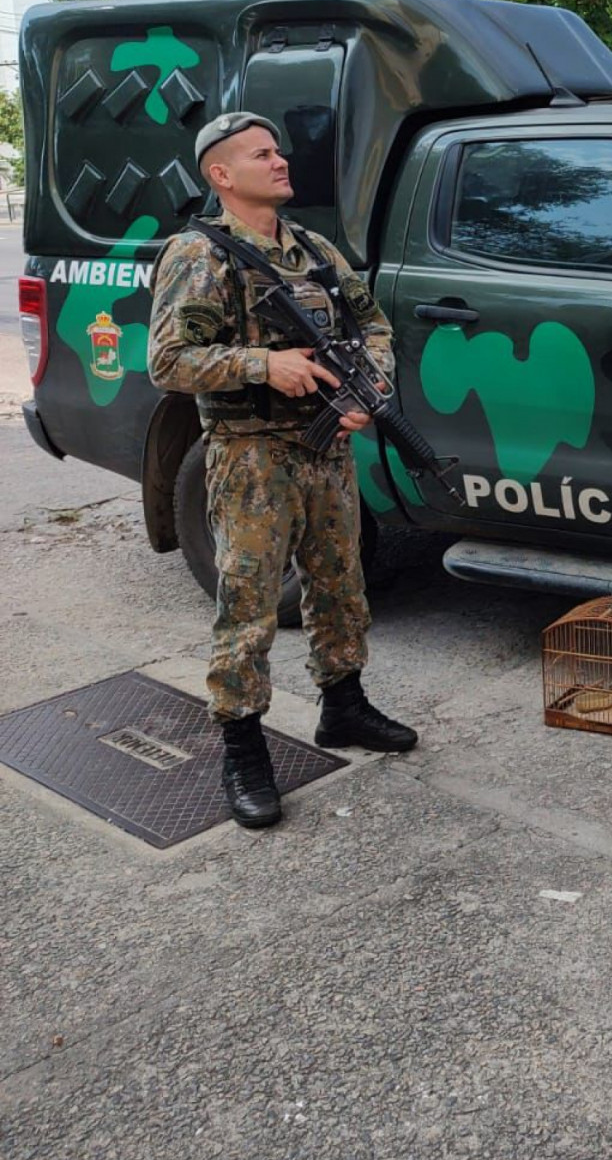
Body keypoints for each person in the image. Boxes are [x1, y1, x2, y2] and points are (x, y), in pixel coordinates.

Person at [148, 112, 417, 830]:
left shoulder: (314, 250)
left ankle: (344, 707)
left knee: (340, 585)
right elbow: (169, 363)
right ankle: (244, 748)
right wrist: (264, 364)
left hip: (325, 450)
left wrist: (368, 392)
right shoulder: (199, 255)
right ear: (221, 175)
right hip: (250, 454)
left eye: (278, 151)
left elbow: (373, 327)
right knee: (250, 605)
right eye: (261, 154)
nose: (280, 162)